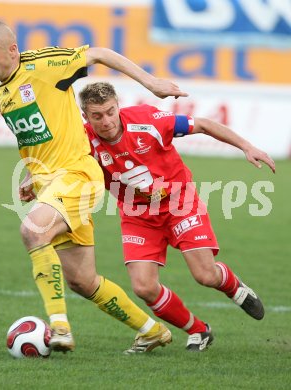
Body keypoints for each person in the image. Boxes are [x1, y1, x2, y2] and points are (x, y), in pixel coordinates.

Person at [0, 21, 189, 354]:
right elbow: (38, 131)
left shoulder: (44, 66)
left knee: (32, 231)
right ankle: (151, 331)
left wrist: (152, 82)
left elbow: (99, 53)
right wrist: (35, 174)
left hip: (78, 176)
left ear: (12, 50)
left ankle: (59, 327)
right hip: (52, 184)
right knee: (82, 281)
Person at [79, 81, 276, 352]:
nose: (106, 121)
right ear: (86, 116)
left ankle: (233, 287)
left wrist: (246, 146)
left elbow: (204, 124)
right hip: (137, 214)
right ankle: (198, 330)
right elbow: (58, 160)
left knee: (206, 275)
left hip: (179, 202)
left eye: (110, 112)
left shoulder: (148, 121)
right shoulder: (81, 140)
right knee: (144, 287)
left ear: (118, 106)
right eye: (97, 116)